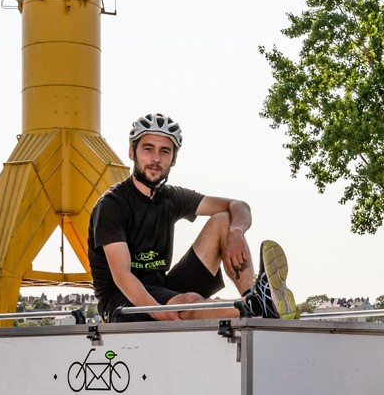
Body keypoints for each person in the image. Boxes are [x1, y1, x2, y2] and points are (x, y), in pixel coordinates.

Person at [88, 113, 298, 322]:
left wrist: (236, 232)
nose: (156, 159)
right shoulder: (112, 204)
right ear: (132, 152)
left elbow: (239, 206)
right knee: (187, 302)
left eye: (165, 151)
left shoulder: (171, 197)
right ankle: (256, 307)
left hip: (163, 288)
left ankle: (255, 296)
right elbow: (122, 276)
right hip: (121, 302)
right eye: (148, 148)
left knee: (224, 219)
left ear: (173, 159)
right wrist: (159, 310)